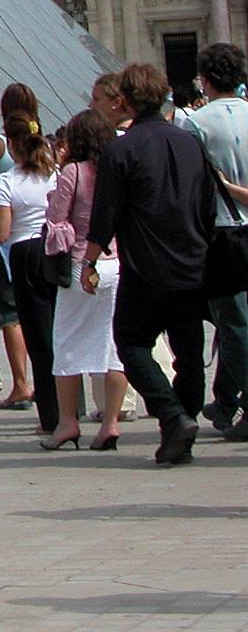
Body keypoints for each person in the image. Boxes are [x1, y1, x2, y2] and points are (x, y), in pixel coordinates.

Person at [86, 62, 211, 465]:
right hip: (192, 260)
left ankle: (173, 417)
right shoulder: (189, 143)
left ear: (125, 100)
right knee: (188, 353)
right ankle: (183, 426)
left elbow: (106, 213)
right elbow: (207, 203)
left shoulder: (121, 150)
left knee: (132, 343)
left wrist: (89, 260)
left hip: (145, 264)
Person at [45, 108, 127, 450]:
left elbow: (56, 219)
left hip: (82, 263)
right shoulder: (118, 169)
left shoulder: (73, 172)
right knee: (113, 346)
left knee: (67, 343)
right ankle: (110, 422)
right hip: (116, 262)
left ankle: (68, 423)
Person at [177, 41, 248, 437]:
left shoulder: (196, 124)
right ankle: (224, 400)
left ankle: (241, 402)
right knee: (235, 323)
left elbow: (190, 187)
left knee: (233, 323)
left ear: (204, 80)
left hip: (222, 231)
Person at [0, 115, 59, 439]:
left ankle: (51, 414)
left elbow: (2, 232)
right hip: (54, 249)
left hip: (24, 252)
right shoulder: (54, 174)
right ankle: (73, 405)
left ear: (12, 145)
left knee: (38, 336)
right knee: (61, 330)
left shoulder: (8, 181)